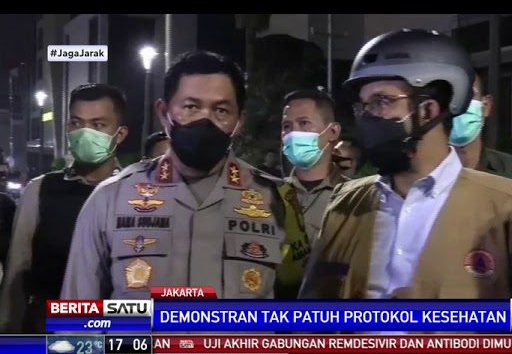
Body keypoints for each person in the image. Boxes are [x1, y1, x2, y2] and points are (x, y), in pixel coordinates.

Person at [299, 29, 512, 301]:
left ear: (428, 111)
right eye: (363, 106)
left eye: (381, 101)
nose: (367, 117)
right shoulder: (342, 204)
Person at [61, 51, 303, 300]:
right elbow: (78, 314)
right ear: (163, 112)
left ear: (239, 121)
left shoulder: (276, 200)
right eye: (191, 107)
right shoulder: (111, 198)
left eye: (221, 110)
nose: (205, 120)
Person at [0, 83, 128, 332]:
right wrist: (8, 333)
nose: (85, 133)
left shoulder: (135, 194)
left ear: (120, 134)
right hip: (46, 327)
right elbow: (17, 270)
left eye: (98, 125)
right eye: (77, 123)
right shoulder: (40, 190)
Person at [281, 89, 347, 245]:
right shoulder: (271, 194)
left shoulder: (353, 197)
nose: (293, 133)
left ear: (333, 131)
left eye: (304, 123)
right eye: (287, 126)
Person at [450, 73, 512, 187]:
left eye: (468, 95)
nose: (458, 104)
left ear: (486, 106)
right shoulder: (428, 171)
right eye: (450, 96)